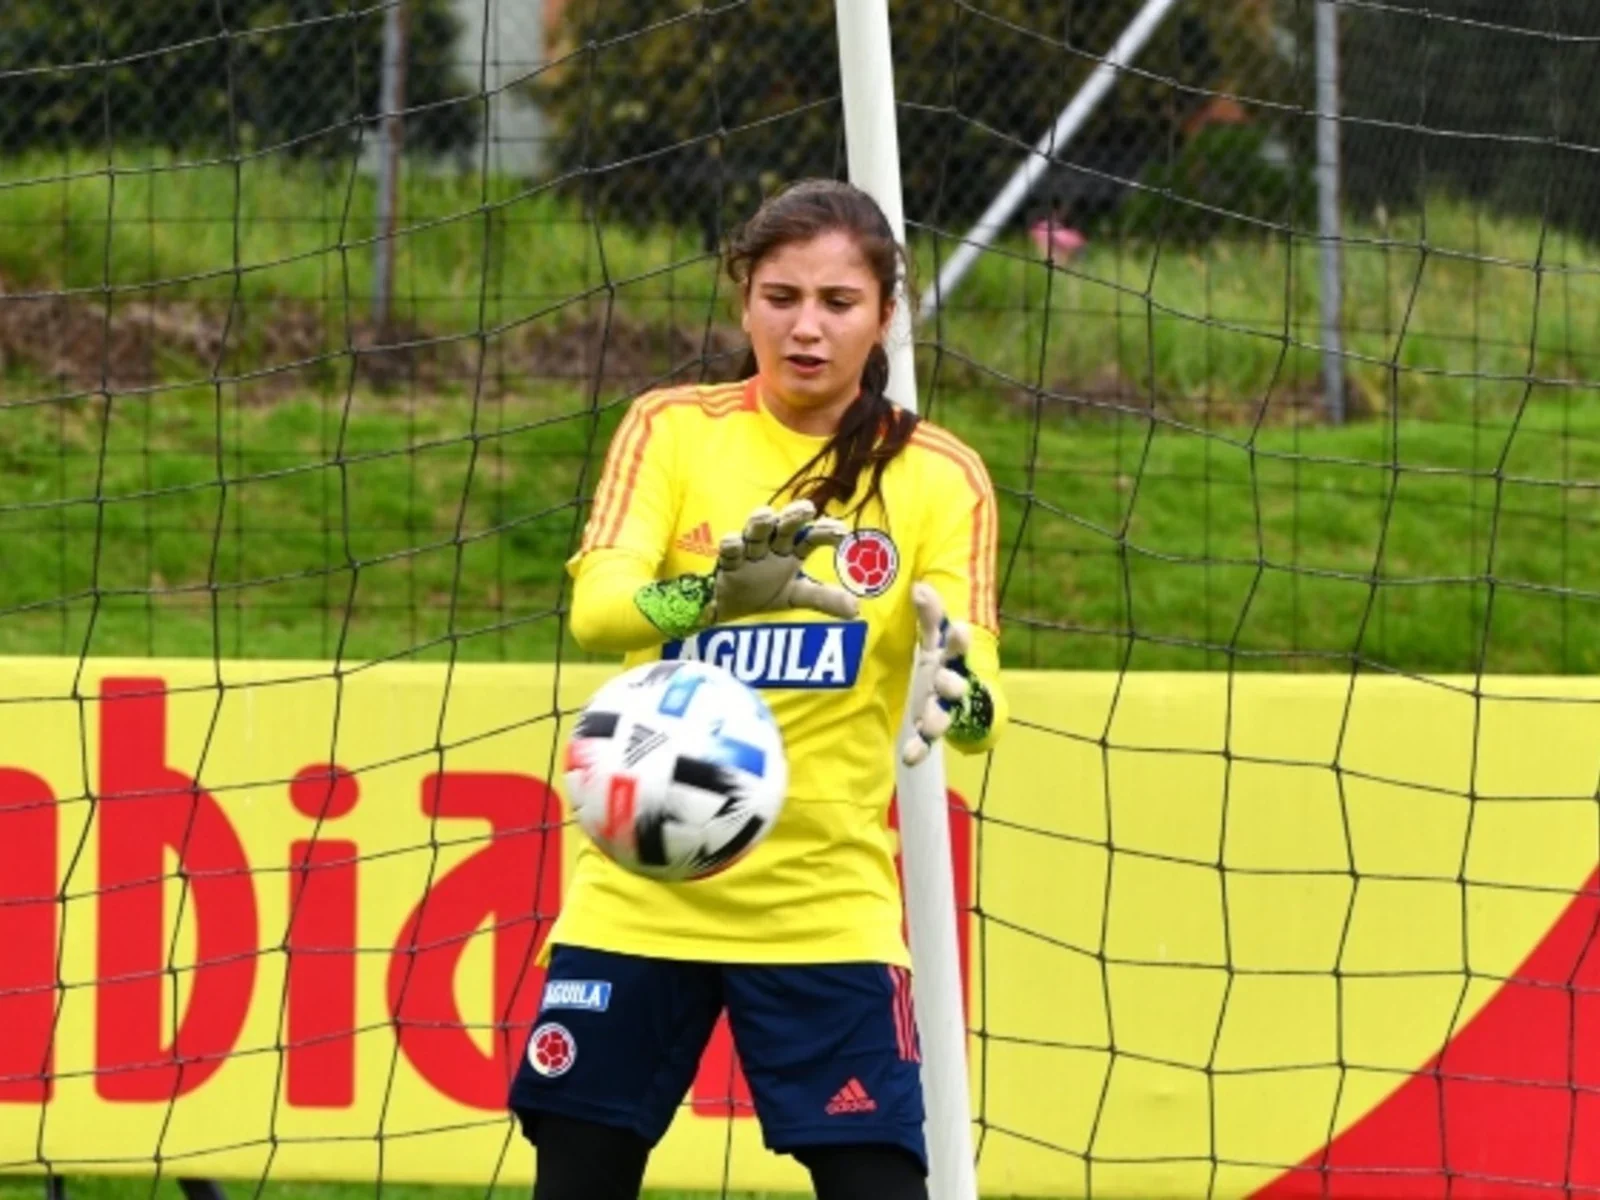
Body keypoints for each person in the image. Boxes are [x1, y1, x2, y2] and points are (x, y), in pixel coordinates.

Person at [508, 178, 1008, 1200]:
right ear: (743, 300)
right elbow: (598, 612)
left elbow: (975, 687)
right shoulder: (674, 429)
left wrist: (956, 693)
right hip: (641, 894)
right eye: (781, 297)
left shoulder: (937, 476)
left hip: (822, 909)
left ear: (885, 317)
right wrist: (711, 595)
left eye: (837, 302)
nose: (807, 328)